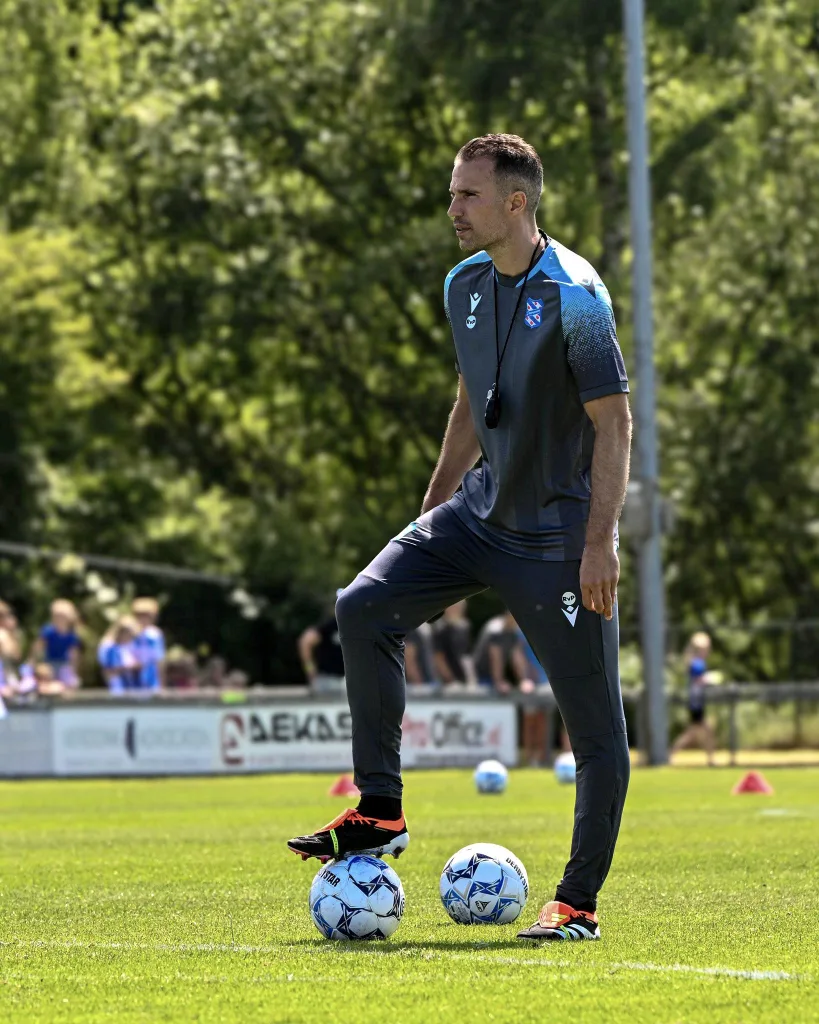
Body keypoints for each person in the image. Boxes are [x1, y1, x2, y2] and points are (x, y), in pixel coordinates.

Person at [287, 134, 632, 944]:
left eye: (467, 196)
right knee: (363, 606)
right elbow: (470, 399)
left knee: (596, 732)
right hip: (472, 519)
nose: (452, 209)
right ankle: (380, 811)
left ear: (515, 203)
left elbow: (613, 423)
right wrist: (432, 507)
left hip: (554, 541)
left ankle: (575, 902)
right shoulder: (462, 283)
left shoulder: (578, 294)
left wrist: (599, 542)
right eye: (452, 194)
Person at [671, 631, 716, 766]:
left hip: (696, 703)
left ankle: (710, 759)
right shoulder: (698, 663)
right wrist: (709, 679)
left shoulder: (697, 662)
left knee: (698, 732)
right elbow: (698, 680)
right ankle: (671, 754)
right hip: (696, 704)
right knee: (695, 733)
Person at [298, 598, 346, 695]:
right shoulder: (330, 625)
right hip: (328, 679)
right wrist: (310, 669)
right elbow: (305, 642)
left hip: (348, 680)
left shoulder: (355, 626)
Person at [30, 599, 81, 688]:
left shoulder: (71, 634)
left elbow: (74, 654)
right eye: (57, 616)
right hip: (49, 662)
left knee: (71, 683)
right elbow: (38, 646)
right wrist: (33, 662)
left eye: (63, 616)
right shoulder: (48, 631)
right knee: (47, 682)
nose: (60, 619)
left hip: (64, 664)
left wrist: (73, 671)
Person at [431, 600, 476, 687]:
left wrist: (470, 677)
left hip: (463, 678)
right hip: (445, 681)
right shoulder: (440, 628)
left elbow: (467, 655)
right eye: (453, 608)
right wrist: (450, 679)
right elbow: (438, 658)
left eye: (459, 608)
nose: (456, 610)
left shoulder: (465, 627)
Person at [98, 615, 142, 694]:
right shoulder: (109, 647)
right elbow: (108, 669)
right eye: (129, 634)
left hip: (132, 687)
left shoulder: (128, 645)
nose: (130, 638)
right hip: (117, 687)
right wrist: (128, 667)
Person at [131, 597, 166, 691]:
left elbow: (160, 661)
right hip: (132, 681)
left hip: (151, 680)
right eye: (140, 615)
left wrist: (162, 684)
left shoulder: (155, 635)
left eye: (146, 615)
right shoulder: (129, 633)